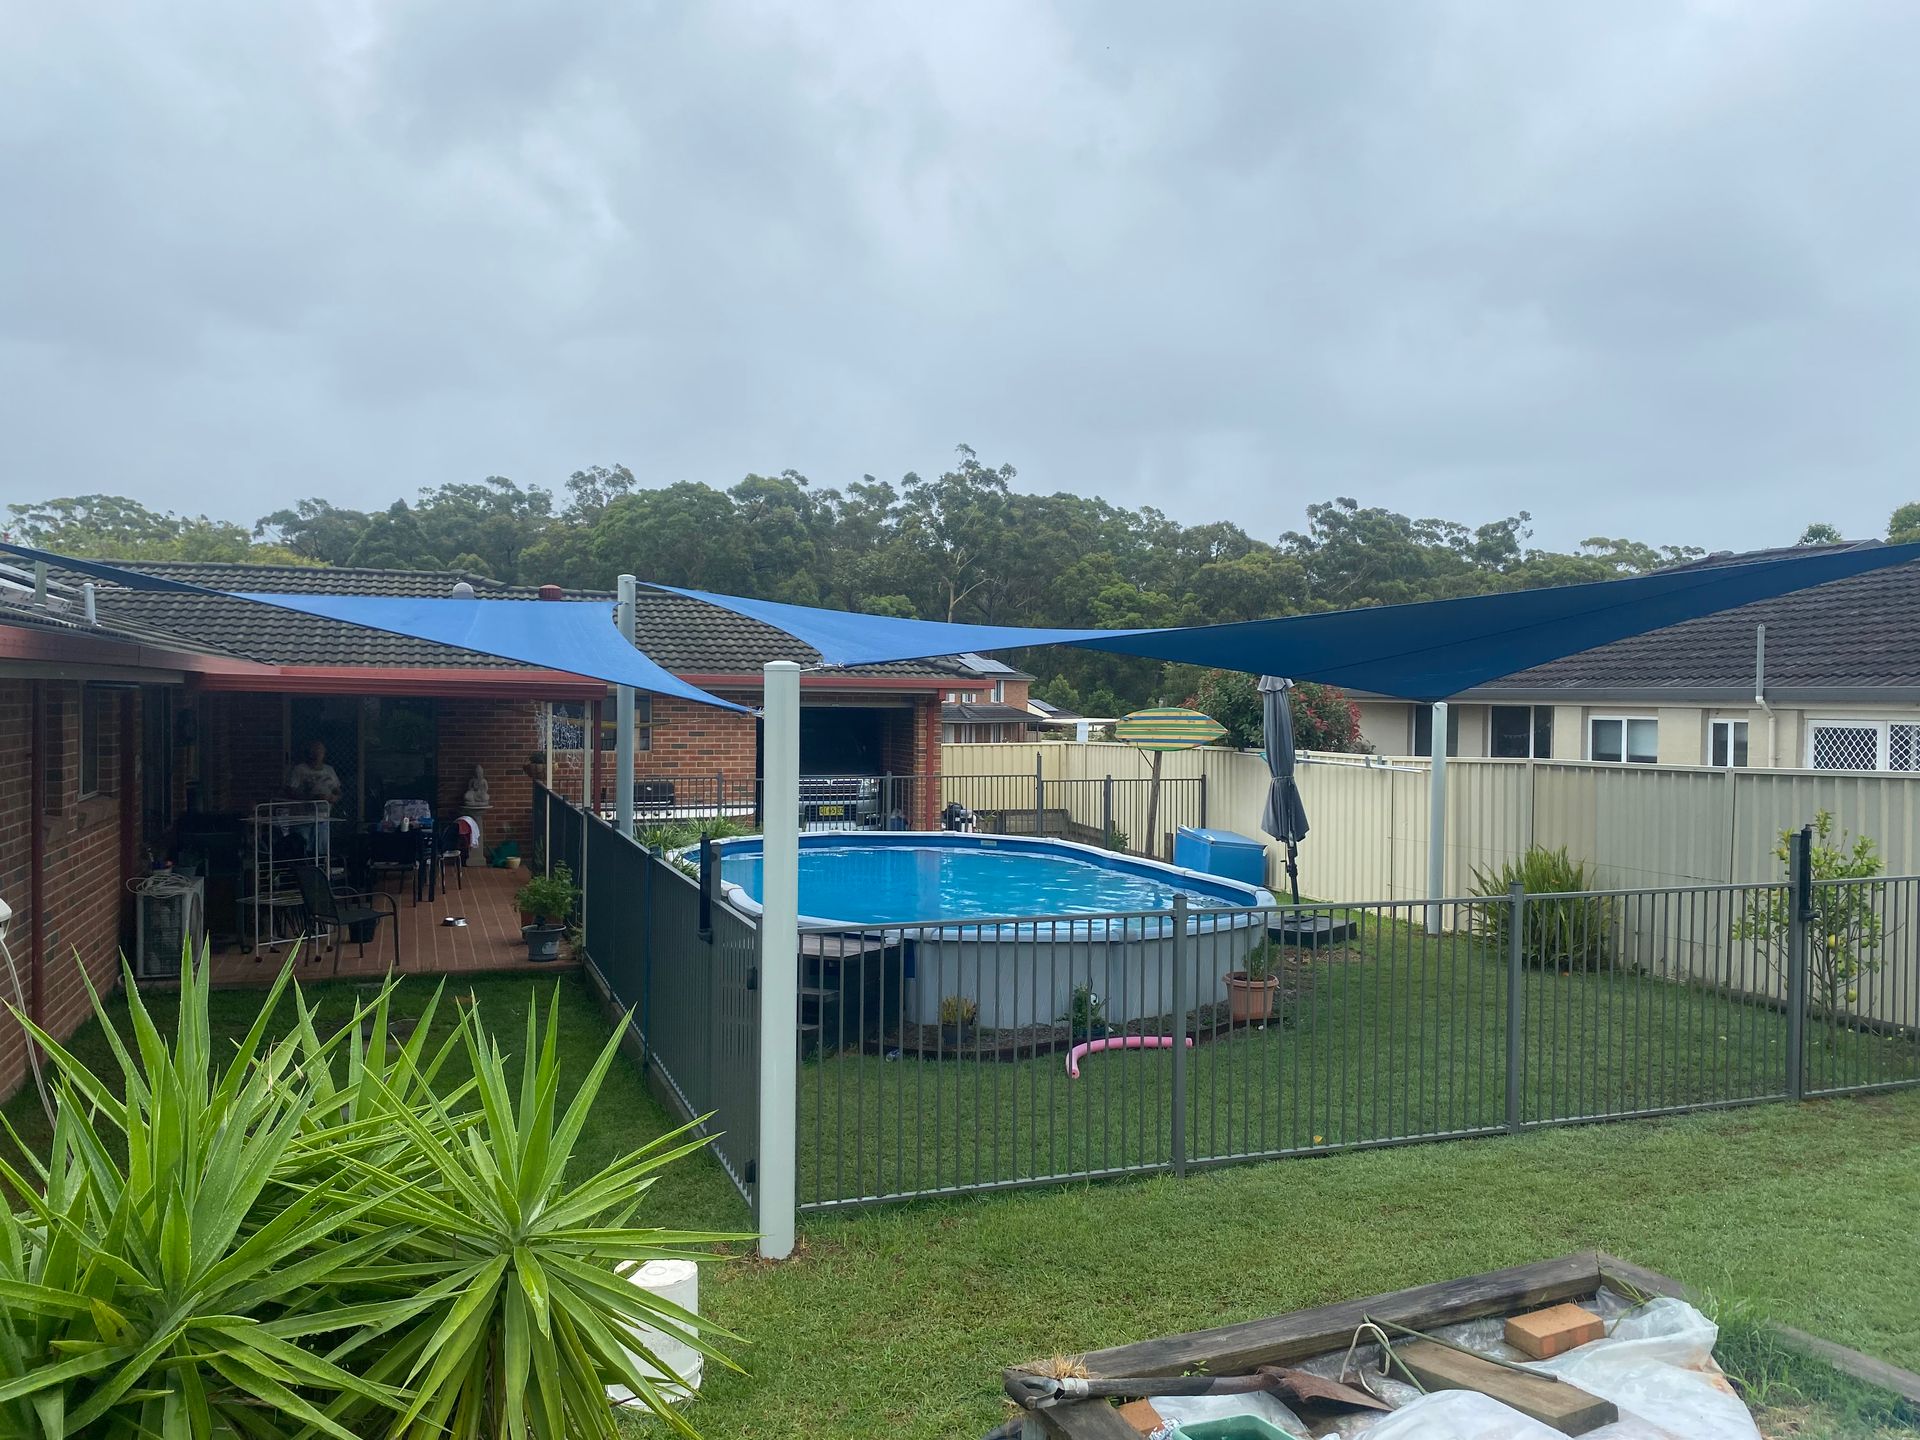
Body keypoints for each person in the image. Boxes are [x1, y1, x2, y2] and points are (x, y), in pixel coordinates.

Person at [284, 739, 342, 857]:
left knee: (322, 852)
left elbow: (337, 790)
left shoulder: (329, 770)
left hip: (322, 818)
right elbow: (290, 791)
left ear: (324, 753)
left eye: (320, 750)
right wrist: (311, 797)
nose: (317, 753)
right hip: (303, 818)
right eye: (314, 750)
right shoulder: (299, 770)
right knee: (302, 851)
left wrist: (334, 798)